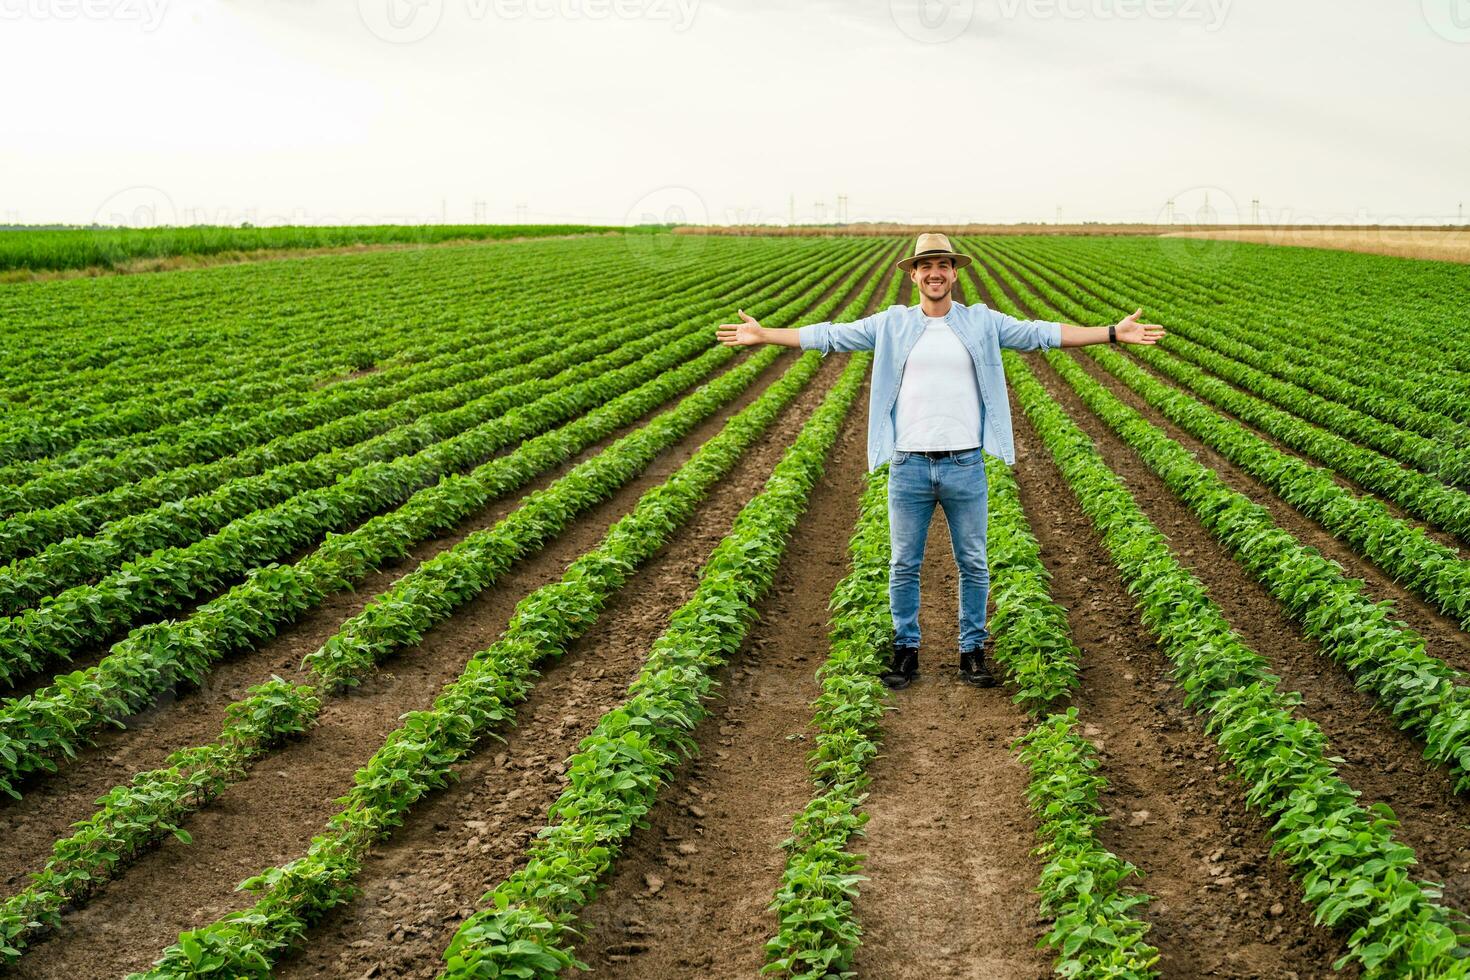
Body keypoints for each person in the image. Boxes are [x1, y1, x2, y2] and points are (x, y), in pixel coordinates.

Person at [715, 232, 1164, 690]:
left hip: (964, 464)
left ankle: (972, 651)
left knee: (973, 562)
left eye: (943, 265)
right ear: (913, 274)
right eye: (926, 265)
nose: (935, 272)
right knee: (903, 564)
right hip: (908, 464)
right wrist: (764, 334)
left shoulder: (982, 322)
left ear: (954, 273)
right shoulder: (890, 324)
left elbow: (1042, 334)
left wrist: (1112, 333)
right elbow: (830, 335)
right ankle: (905, 650)